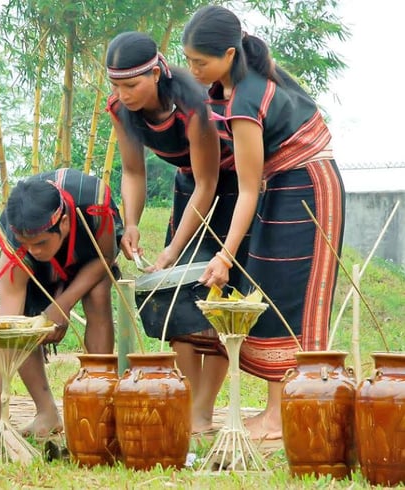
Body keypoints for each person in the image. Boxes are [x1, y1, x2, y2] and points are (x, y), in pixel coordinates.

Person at [182, 5, 345, 439]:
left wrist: (224, 255)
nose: (194, 70)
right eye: (190, 61)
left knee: (294, 297)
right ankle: (280, 409)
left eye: (201, 62)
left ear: (230, 54)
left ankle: (286, 413)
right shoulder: (238, 87)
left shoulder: (247, 98)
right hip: (285, 183)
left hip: (308, 186)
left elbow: (248, 189)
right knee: (269, 292)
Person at [106, 31, 247, 433]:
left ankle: (204, 409)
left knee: (220, 299)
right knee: (178, 298)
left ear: (157, 73)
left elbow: (209, 183)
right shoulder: (120, 108)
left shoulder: (193, 104)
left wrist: (171, 251)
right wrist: (131, 222)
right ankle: (189, 403)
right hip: (191, 188)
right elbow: (133, 171)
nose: (124, 93)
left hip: (229, 189)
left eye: (132, 84)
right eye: (116, 85)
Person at [0, 168, 123, 437]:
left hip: (92, 256)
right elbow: (8, 320)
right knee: (22, 326)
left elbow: (106, 258)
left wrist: (61, 303)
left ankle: (99, 399)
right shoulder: (13, 232)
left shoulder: (94, 203)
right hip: (37, 274)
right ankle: (46, 412)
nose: (35, 251)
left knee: (98, 295)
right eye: (27, 244)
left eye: (41, 243)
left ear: (63, 222)